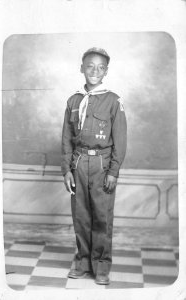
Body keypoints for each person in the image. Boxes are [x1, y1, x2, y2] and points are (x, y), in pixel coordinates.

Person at [61, 47, 127, 285]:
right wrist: (66, 169)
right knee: (81, 217)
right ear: (82, 68)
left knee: (101, 217)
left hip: (102, 164)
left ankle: (101, 266)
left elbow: (120, 140)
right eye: (90, 66)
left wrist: (113, 172)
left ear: (106, 71)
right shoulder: (74, 100)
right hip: (78, 162)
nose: (95, 71)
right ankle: (82, 261)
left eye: (100, 67)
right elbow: (66, 138)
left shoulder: (113, 101)